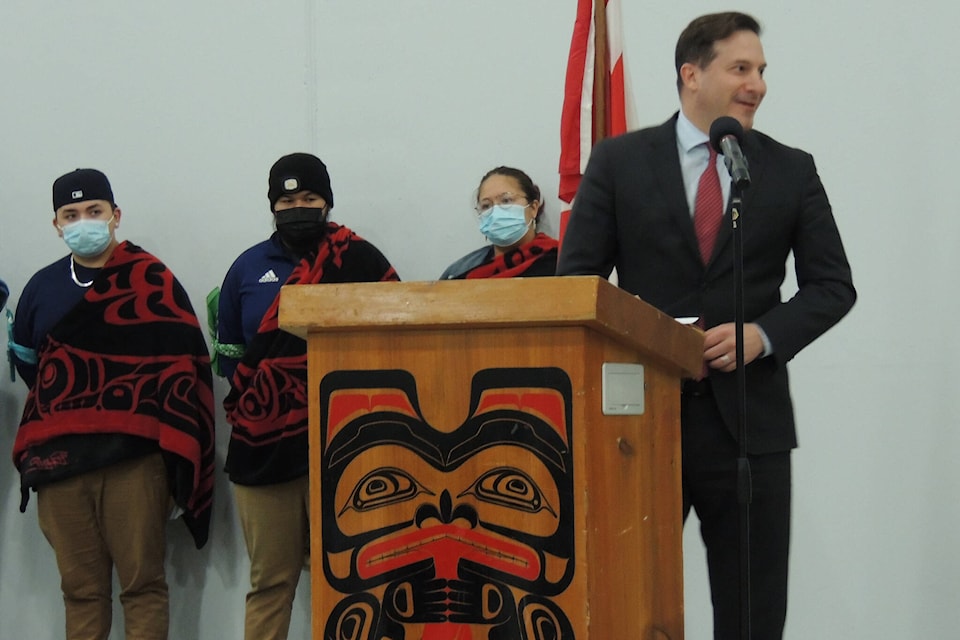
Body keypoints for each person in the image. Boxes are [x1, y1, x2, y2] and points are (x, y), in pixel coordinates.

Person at [556, 12, 856, 639]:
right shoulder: (619, 162)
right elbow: (576, 289)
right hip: (636, 423)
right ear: (691, 74)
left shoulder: (788, 169)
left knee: (752, 612)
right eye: (740, 68)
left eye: (761, 71)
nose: (757, 84)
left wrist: (762, 335)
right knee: (623, 602)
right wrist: (649, 341)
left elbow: (833, 286)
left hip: (750, 428)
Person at [9, 168, 215, 640]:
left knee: (143, 587)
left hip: (135, 463)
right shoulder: (40, 289)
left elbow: (185, 366)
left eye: (94, 212)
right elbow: (32, 368)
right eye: (72, 214)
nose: (84, 222)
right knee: (80, 592)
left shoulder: (154, 281)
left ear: (115, 215)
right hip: (60, 466)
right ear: (57, 224)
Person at [215, 152, 400, 640]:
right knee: (270, 582)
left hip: (346, 445)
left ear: (328, 202)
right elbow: (232, 355)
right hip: (264, 449)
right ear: (273, 205)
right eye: (288, 200)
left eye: (310, 199)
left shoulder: (360, 259)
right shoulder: (247, 268)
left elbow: (396, 341)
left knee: (349, 579)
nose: (299, 207)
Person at [440, 166, 558, 279]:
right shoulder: (459, 272)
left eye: (506, 200)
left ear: (533, 208)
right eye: (486, 206)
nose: (496, 212)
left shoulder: (560, 261)